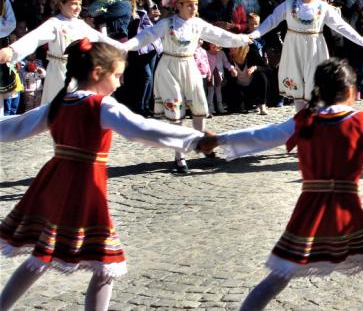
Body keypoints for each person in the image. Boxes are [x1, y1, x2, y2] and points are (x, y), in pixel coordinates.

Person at [208, 59, 363, 311]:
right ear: (351, 92)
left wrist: (220, 138)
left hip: (309, 212)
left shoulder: (304, 120)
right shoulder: (361, 121)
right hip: (345, 210)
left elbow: (263, 134)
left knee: (279, 277)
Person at [0, 39, 216, 310]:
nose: (119, 82)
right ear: (97, 73)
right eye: (116, 75)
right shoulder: (101, 106)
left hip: (55, 182)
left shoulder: (60, 103)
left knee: (45, 254)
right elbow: (142, 129)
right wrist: (195, 138)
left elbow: (14, 126)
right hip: (83, 185)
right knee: (102, 262)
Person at [121, 0, 251, 174]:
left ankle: (202, 144)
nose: (193, 7)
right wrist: (125, 46)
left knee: (199, 108)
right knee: (176, 113)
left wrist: (242, 38)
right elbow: (146, 36)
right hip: (169, 67)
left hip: (190, 65)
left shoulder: (197, 24)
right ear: (178, 5)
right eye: (189, 4)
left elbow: (219, 35)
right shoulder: (167, 24)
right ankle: (179, 156)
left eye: (196, 4)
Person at [251, 0, 363, 112]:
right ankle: (300, 119)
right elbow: (272, 20)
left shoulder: (324, 7)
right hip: (294, 47)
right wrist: (253, 34)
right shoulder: (289, 4)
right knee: (297, 87)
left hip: (315, 47)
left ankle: (315, 121)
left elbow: (341, 27)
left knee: (314, 86)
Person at [0, 0, 127, 106]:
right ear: (61, 4)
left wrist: (126, 46)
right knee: (57, 110)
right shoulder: (55, 23)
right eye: (74, 3)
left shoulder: (81, 24)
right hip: (58, 73)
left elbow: (102, 39)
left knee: (78, 107)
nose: (78, 8)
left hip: (79, 73)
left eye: (79, 4)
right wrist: (12, 50)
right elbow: (34, 38)